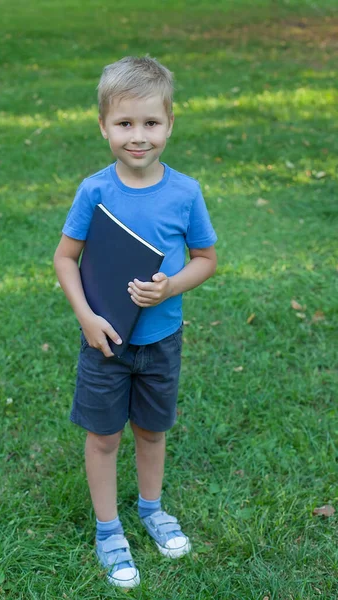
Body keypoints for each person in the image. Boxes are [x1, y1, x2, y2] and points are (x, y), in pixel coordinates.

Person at [54, 56, 218, 588]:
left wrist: (171, 286)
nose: (138, 136)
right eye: (125, 124)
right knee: (104, 437)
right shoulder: (95, 191)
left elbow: (206, 259)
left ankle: (151, 509)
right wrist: (86, 317)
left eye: (151, 123)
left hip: (162, 340)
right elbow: (65, 257)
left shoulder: (185, 192)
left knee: (152, 431)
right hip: (106, 340)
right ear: (103, 126)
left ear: (170, 124)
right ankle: (108, 529)